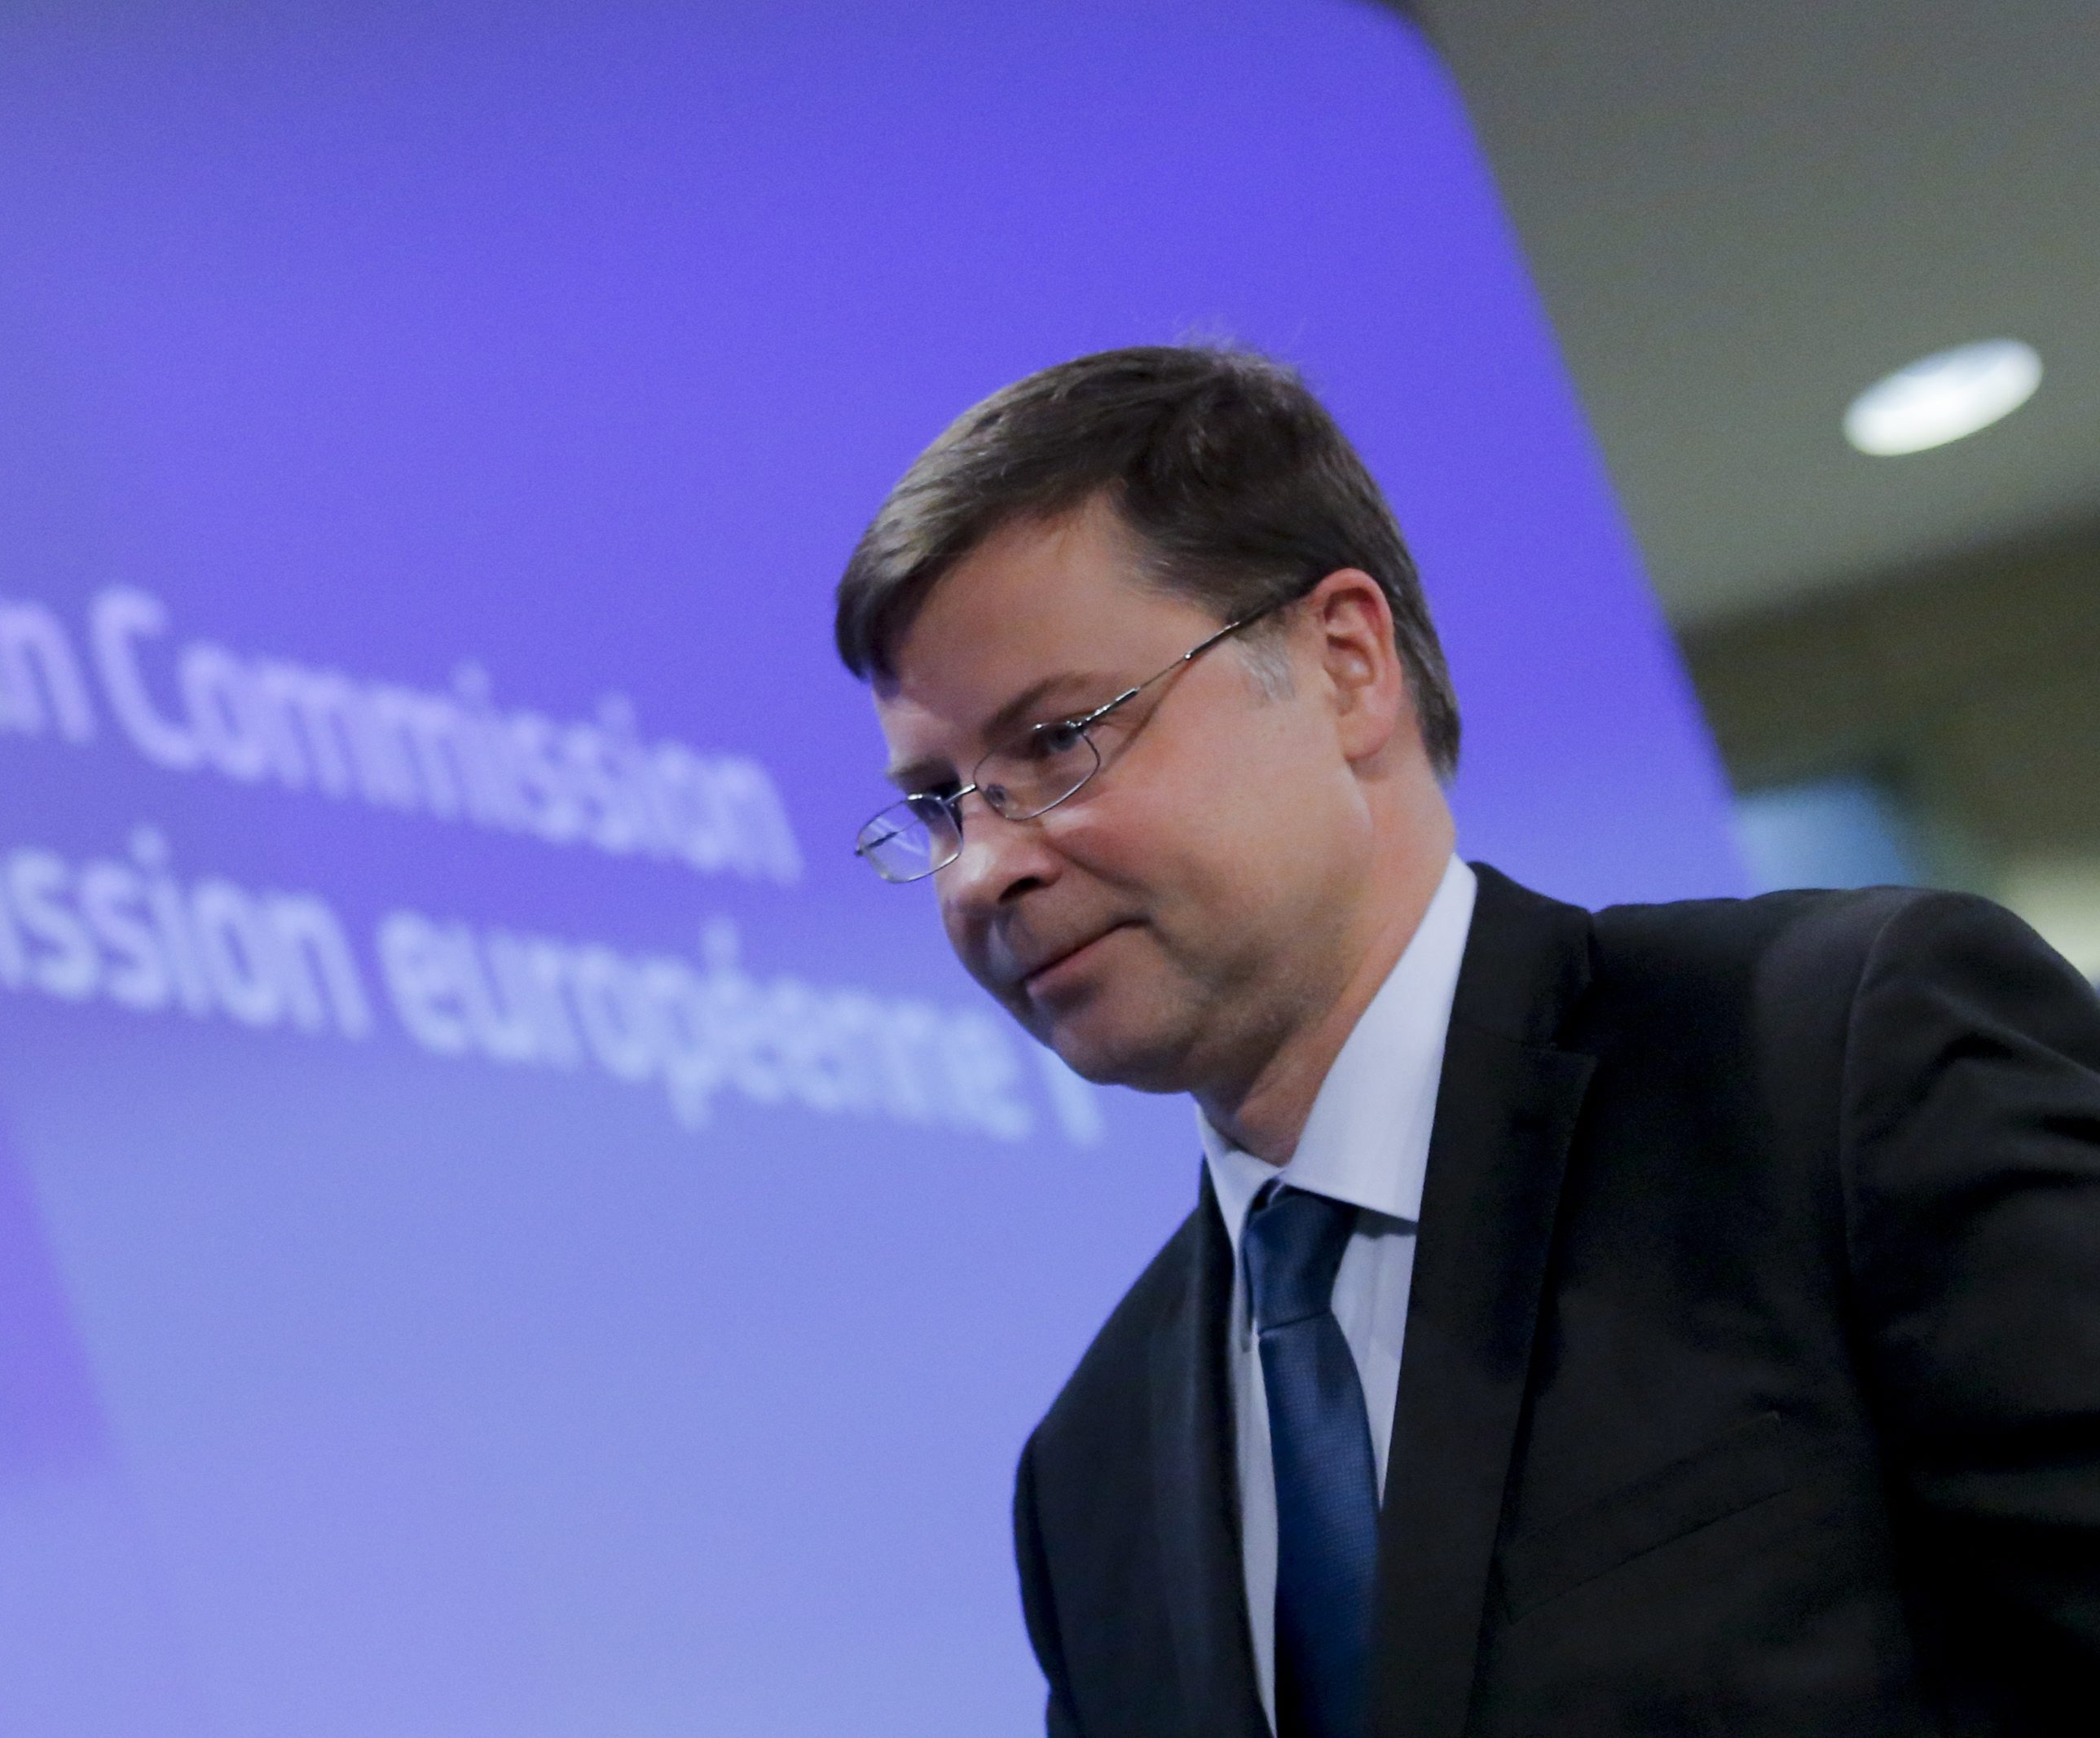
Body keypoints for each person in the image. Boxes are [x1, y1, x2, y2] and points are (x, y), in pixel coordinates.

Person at [832, 345, 2100, 1736]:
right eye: (939, 800)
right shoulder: (1092, 1474)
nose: (981, 870)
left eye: (1056, 738)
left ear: (1344, 664)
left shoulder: (1828, 1061)